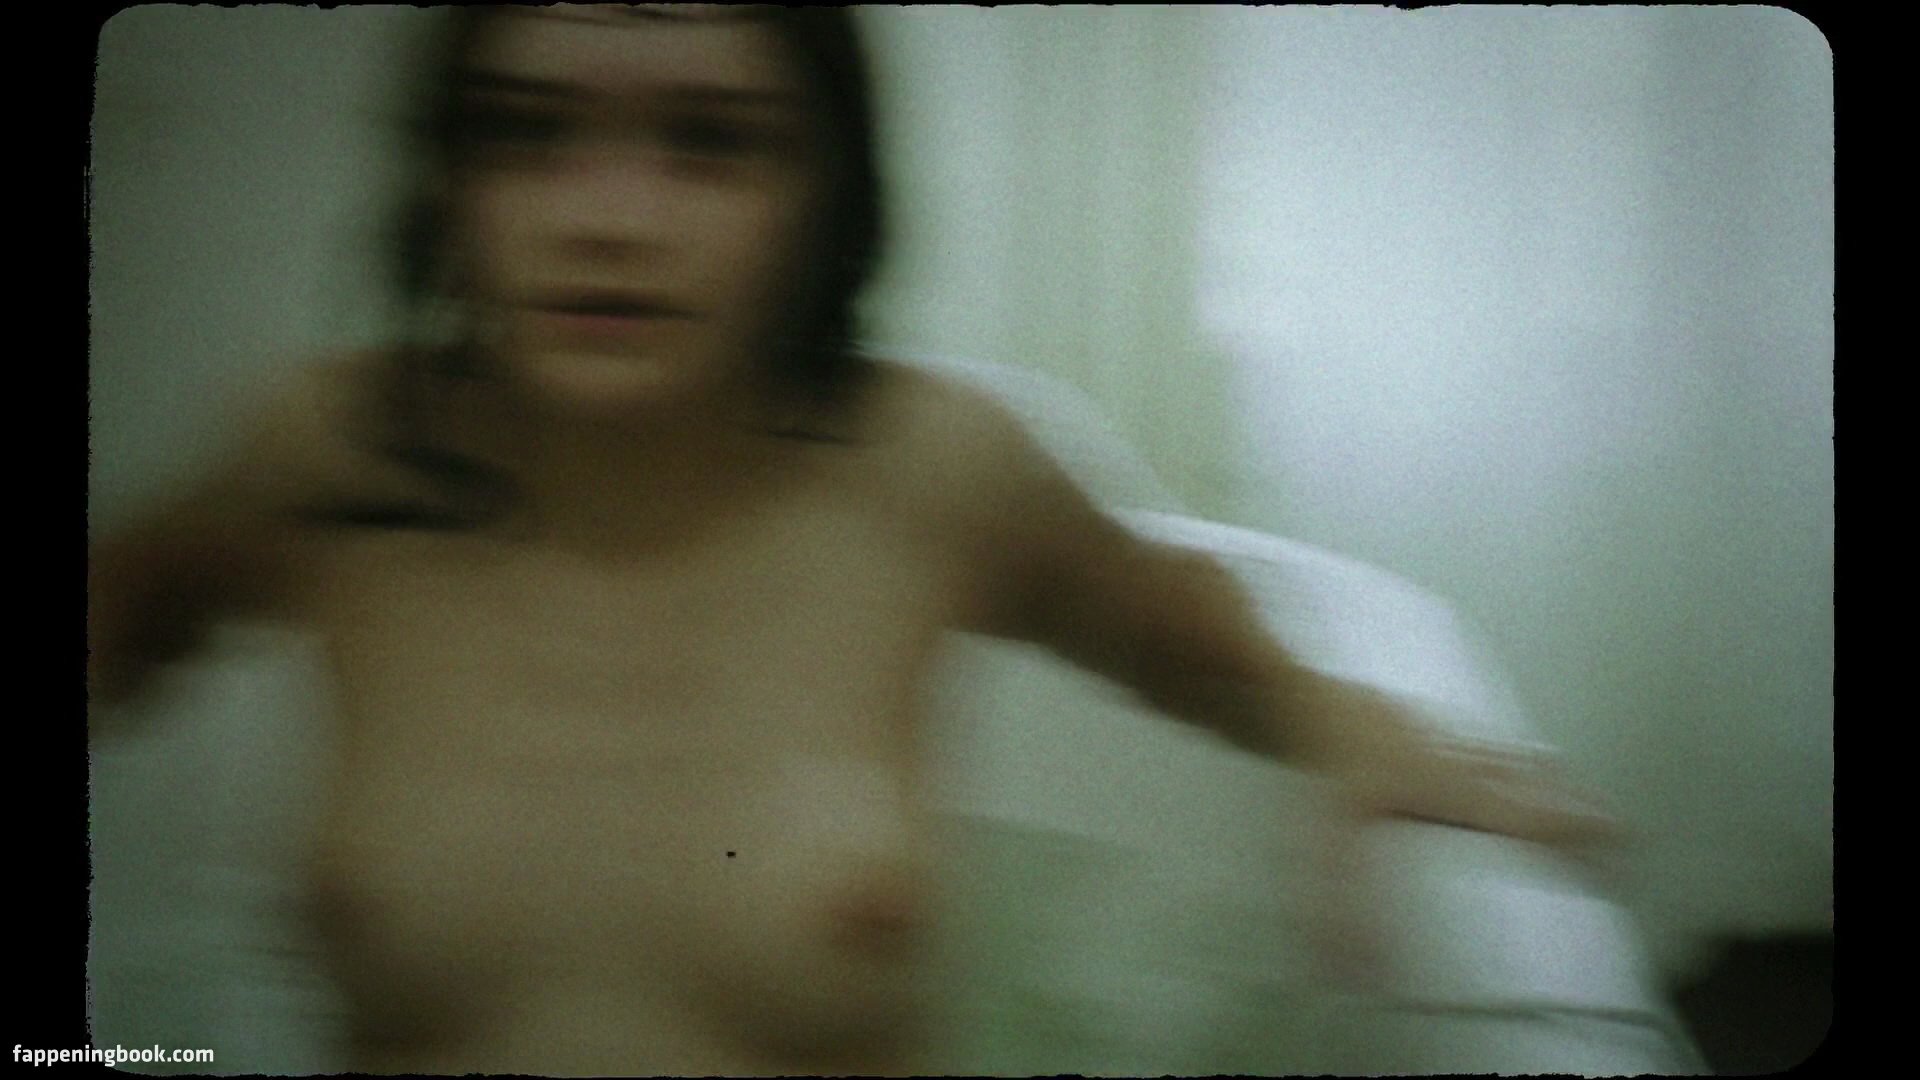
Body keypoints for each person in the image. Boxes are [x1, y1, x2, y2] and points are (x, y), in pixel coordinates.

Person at [87, 6, 1615, 1075]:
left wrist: (1354, 724)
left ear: (825, 194)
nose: (610, 218)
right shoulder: (326, 454)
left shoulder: (932, 468)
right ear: (445, 177)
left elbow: (1179, 630)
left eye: (713, 145)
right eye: (526, 135)